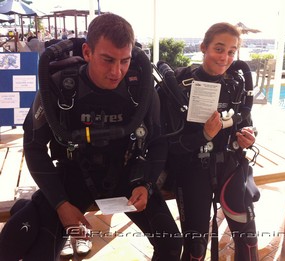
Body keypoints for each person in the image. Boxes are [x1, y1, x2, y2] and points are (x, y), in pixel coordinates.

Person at [0, 13, 182, 261]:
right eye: (107, 60)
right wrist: (61, 204)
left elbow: (159, 141)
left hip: (127, 174)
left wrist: (147, 184)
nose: (116, 71)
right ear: (87, 52)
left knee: (172, 245)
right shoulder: (59, 86)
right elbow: (34, 148)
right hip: (74, 175)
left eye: (124, 61)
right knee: (35, 252)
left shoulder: (140, 87)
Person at [162, 22, 260, 260]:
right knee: (195, 246)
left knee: (248, 238)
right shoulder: (178, 85)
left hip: (229, 164)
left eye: (231, 51)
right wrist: (203, 136)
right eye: (219, 48)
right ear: (203, 47)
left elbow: (246, 120)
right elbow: (165, 144)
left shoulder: (236, 85)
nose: (225, 57)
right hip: (192, 169)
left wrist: (248, 136)